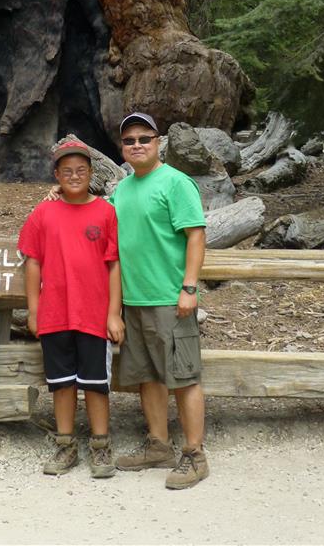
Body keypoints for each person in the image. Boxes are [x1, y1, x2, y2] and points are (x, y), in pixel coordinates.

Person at [111, 112, 208, 490]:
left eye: (144, 138)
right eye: (129, 140)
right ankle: (158, 445)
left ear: (158, 142)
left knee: (184, 377)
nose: (137, 145)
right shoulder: (123, 189)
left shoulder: (176, 183)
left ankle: (195, 455)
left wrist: (189, 288)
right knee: (148, 376)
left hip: (170, 298)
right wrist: (58, 193)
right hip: (134, 300)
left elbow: (196, 236)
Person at [18, 140, 124, 478]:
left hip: (93, 315)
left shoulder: (105, 212)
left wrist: (113, 313)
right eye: (67, 171)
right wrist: (33, 310)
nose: (74, 176)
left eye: (81, 170)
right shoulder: (43, 213)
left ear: (91, 173)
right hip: (55, 314)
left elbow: (114, 264)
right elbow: (32, 262)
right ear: (56, 175)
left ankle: (100, 445)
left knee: (95, 383)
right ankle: (65, 445)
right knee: (61, 383)